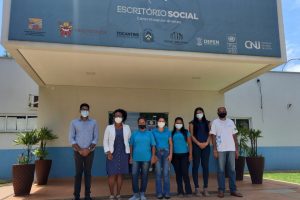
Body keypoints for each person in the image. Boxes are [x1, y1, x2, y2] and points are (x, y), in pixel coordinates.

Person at [210, 107, 243, 198]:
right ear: (217, 112)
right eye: (220, 111)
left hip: (231, 149)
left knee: (232, 170)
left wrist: (237, 149)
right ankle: (221, 190)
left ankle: (233, 190)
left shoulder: (231, 122)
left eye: (223, 111)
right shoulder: (215, 122)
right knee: (221, 171)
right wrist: (214, 149)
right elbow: (213, 137)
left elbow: (235, 136)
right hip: (220, 150)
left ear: (226, 112)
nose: (222, 112)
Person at [69, 103, 99, 200]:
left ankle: (87, 195)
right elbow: (71, 138)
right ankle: (76, 196)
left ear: (89, 111)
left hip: (90, 152)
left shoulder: (94, 122)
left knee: (88, 173)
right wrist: (80, 150)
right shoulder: (74, 122)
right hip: (78, 152)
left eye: (86, 109)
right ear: (80, 110)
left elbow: (95, 138)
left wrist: (88, 149)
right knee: (78, 173)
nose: (84, 111)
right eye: (83, 109)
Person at [103, 109, 131, 200]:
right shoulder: (109, 127)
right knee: (111, 174)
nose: (118, 117)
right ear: (113, 117)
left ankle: (118, 194)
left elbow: (129, 141)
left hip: (123, 153)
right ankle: (112, 194)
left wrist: (130, 154)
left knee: (120, 174)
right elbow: (105, 141)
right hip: (112, 153)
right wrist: (108, 152)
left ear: (123, 117)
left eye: (120, 116)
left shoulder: (127, 127)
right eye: (116, 116)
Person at [129, 117, 156, 200]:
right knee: (134, 176)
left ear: (145, 123)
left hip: (146, 159)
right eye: (140, 122)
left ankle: (142, 194)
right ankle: (136, 194)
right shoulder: (134, 134)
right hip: (135, 159)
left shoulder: (149, 134)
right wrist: (130, 157)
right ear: (138, 124)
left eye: (143, 122)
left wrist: (153, 156)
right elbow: (131, 146)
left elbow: (153, 146)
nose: (141, 123)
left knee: (144, 176)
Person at [189, 107, 211, 196]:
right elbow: (191, 136)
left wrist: (206, 143)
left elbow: (210, 134)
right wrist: (198, 143)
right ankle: (197, 188)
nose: (199, 114)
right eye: (197, 112)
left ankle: (205, 188)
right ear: (195, 114)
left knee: (205, 166)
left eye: (200, 112)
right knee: (196, 166)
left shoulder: (208, 123)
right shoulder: (192, 123)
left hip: (206, 146)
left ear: (203, 113)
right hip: (196, 146)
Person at [152, 117, 173, 199]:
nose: (161, 122)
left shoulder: (168, 131)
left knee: (166, 174)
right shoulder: (153, 131)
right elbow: (152, 144)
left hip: (166, 153)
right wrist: (153, 155)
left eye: (163, 121)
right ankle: (159, 193)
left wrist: (171, 154)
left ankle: (167, 193)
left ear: (165, 122)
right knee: (158, 174)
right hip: (157, 153)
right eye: (159, 121)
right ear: (157, 122)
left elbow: (171, 143)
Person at [171, 117, 193, 197]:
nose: (178, 124)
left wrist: (190, 155)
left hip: (185, 155)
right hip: (175, 156)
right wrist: (170, 155)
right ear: (174, 124)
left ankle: (189, 191)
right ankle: (180, 191)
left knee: (185, 173)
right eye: (177, 123)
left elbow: (190, 144)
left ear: (182, 124)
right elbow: (171, 145)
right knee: (178, 174)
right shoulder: (172, 133)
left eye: (180, 123)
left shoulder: (186, 132)